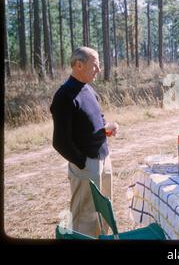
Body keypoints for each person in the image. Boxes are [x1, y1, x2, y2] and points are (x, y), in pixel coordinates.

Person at [50, 46, 118, 237]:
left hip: (104, 160)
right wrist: (82, 163)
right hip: (86, 165)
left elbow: (98, 117)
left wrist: (106, 128)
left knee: (105, 212)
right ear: (79, 65)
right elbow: (60, 142)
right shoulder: (64, 96)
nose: (99, 70)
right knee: (85, 218)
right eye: (95, 65)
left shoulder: (88, 89)